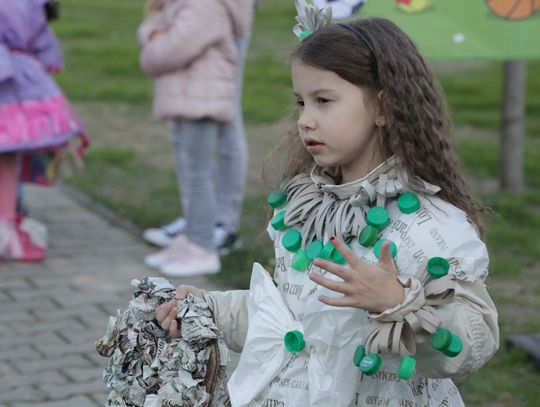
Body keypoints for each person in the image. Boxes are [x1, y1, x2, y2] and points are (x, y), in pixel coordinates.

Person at [154, 9, 499, 407]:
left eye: (323, 101)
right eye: (301, 102)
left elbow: (476, 343)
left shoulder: (427, 224)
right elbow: (290, 320)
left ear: (384, 108)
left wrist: (400, 303)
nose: (304, 121)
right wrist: (210, 310)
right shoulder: (303, 210)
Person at [138, 0, 254, 276]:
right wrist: (155, 34)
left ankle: (202, 247)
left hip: (201, 98)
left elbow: (168, 51)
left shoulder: (205, 6)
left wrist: (155, 41)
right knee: (191, 169)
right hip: (187, 94)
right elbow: (152, 25)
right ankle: (192, 237)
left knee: (197, 172)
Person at [0, 0, 85, 262]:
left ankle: (6, 229)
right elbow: (42, 37)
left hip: (13, 83)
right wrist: (48, 59)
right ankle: (6, 229)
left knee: (6, 159)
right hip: (22, 85)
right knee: (7, 161)